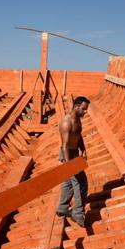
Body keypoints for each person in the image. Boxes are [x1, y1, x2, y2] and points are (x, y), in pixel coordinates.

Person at [56, 96, 89, 227]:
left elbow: (78, 136)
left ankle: (62, 208)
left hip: (75, 152)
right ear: (76, 107)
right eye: (83, 109)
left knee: (68, 182)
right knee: (80, 182)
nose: (85, 112)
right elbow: (64, 145)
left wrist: (83, 149)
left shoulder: (78, 120)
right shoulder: (66, 122)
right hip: (67, 154)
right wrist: (69, 165)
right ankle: (78, 214)